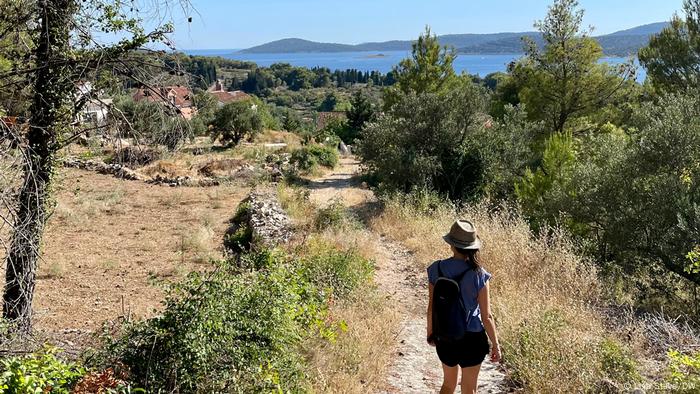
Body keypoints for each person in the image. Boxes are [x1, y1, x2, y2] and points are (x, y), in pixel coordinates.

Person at [426, 219, 501, 394]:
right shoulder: (479, 274)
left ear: (451, 245)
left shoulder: (436, 269)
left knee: (448, 384)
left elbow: (431, 308)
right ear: (472, 247)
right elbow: (486, 316)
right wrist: (495, 345)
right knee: (469, 389)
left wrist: (431, 333)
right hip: (473, 338)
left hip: (445, 335)